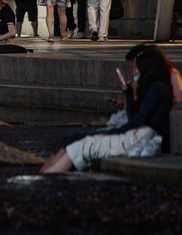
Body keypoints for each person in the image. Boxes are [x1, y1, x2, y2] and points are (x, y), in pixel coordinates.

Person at [41, 44, 173, 173]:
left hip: (140, 138)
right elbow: (134, 119)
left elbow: (135, 122)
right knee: (74, 140)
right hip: (135, 135)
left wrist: (109, 133)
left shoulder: (158, 89)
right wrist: (128, 92)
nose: (134, 72)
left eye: (136, 68)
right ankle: (45, 174)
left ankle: (47, 177)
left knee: (80, 145)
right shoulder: (154, 88)